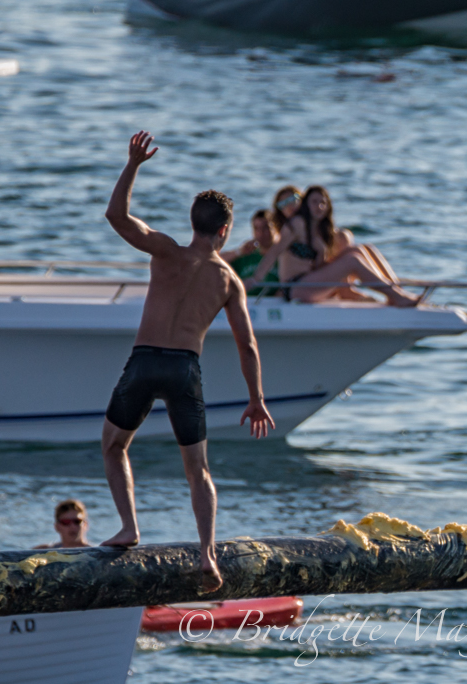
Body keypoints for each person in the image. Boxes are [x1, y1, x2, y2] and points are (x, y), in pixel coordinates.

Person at [101, 131, 275, 593]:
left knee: (114, 445)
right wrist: (256, 398)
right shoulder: (228, 280)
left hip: (144, 362)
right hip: (184, 370)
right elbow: (247, 345)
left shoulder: (164, 250)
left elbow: (115, 216)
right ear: (225, 231)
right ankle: (207, 555)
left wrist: (133, 164)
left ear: (192, 222)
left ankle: (128, 527)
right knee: (197, 470)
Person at [249, 185, 419, 307]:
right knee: (352, 260)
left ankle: (396, 291)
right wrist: (255, 279)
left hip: (310, 283)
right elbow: (274, 252)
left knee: (360, 249)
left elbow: (319, 266)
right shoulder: (296, 224)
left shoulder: (314, 229)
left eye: (322, 202)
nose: (319, 206)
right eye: (314, 202)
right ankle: (396, 296)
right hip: (295, 287)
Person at [220, 209, 280, 296]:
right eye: (256, 229)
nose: (261, 233)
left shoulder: (284, 256)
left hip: (275, 301)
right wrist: (239, 252)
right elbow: (214, 261)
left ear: (276, 228)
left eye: (265, 228)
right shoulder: (246, 255)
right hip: (248, 300)